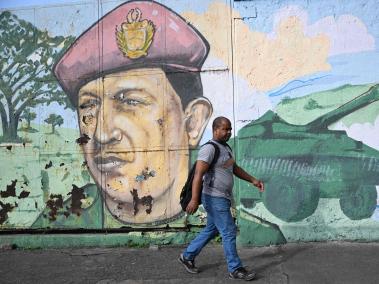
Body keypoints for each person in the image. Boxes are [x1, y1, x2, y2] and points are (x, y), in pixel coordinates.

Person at [32, 0, 213, 227]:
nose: (101, 134)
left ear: (192, 123)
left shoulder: (221, 214)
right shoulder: (58, 223)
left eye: (131, 101)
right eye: (88, 106)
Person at [179, 116, 264, 281]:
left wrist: (253, 180)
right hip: (213, 197)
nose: (228, 132)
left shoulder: (225, 148)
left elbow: (234, 168)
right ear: (215, 129)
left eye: (230, 129)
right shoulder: (209, 149)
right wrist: (194, 199)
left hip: (222, 197)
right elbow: (198, 175)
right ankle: (235, 268)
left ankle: (187, 256)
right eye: (225, 129)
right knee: (229, 231)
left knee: (212, 229)